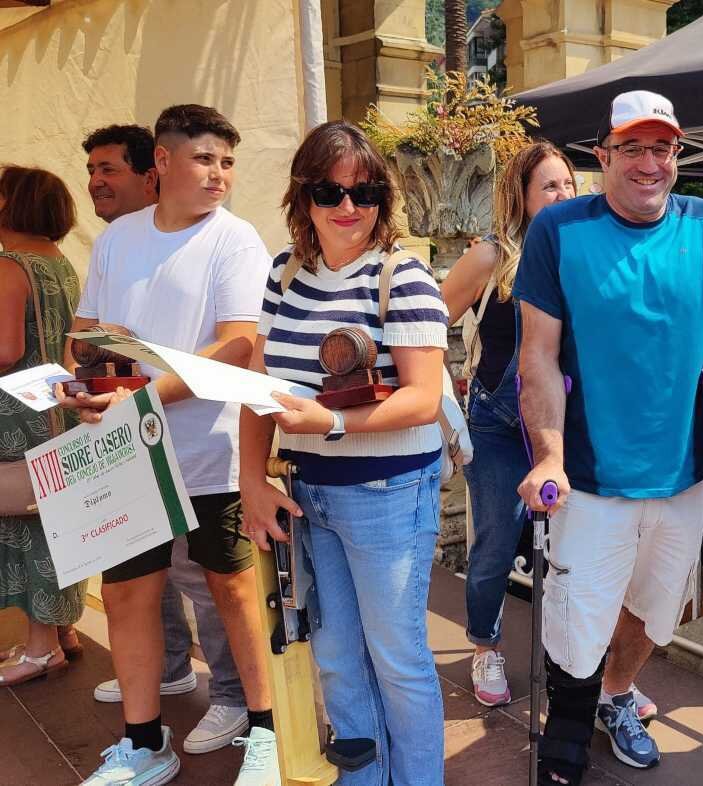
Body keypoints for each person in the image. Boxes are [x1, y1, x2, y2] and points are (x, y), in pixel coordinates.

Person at [515, 90, 703, 785]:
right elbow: (537, 353)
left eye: (663, 148)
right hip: (591, 475)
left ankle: (615, 697)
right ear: (603, 155)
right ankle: (567, 724)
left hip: (684, 475)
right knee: (577, 618)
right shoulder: (561, 230)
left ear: (677, 154)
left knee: (655, 614)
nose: (650, 163)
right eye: (633, 148)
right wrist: (550, 456)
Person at [60, 104, 277, 786]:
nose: (219, 174)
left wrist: (141, 393)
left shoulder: (236, 241)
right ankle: (144, 740)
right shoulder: (119, 238)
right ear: (163, 161)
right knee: (127, 597)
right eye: (205, 159)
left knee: (235, 592)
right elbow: (90, 330)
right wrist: (85, 379)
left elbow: (239, 343)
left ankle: (269, 736)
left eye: (227, 162)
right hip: (126, 451)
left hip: (211, 451)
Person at [239, 120, 449, 786]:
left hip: (388, 494)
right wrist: (251, 478)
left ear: (386, 200)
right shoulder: (285, 272)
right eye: (329, 191)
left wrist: (328, 421)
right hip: (309, 492)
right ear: (304, 199)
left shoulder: (402, 277)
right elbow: (259, 384)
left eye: (365, 193)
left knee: (397, 658)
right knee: (334, 654)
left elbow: (421, 400)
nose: (347, 207)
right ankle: (363, 777)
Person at [441, 141, 576, 706]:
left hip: (566, 423)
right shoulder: (490, 257)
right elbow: (426, 321)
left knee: (576, 547)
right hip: (496, 423)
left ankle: (580, 663)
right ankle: (485, 648)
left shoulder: (586, 251)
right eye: (550, 186)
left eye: (569, 184)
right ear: (520, 197)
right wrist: (443, 393)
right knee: (495, 540)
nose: (564, 195)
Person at [0, 166, 87, 685]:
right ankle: (63, 632)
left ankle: (40, 649)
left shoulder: (10, 265)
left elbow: (6, 349)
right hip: (58, 406)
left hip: (16, 410)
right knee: (56, 521)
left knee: (27, 525)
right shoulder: (60, 262)